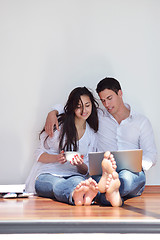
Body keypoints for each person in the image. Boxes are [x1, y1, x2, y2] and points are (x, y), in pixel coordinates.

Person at [44, 77, 157, 205]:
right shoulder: (99, 115)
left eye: (109, 98)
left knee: (125, 177)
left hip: (131, 172)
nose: (107, 105)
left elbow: (151, 155)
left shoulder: (141, 122)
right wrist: (52, 113)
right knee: (99, 185)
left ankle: (112, 187)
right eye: (103, 101)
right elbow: (73, 107)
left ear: (120, 93)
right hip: (103, 173)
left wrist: (136, 165)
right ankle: (114, 196)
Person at [25, 87, 100, 206]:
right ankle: (75, 195)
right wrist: (57, 158)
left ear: (92, 106)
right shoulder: (59, 126)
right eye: (79, 106)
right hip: (47, 174)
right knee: (56, 184)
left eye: (87, 105)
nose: (84, 110)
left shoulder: (92, 134)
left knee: (78, 182)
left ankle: (84, 195)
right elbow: (38, 154)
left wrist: (79, 164)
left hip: (73, 174)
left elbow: (86, 170)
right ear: (72, 107)